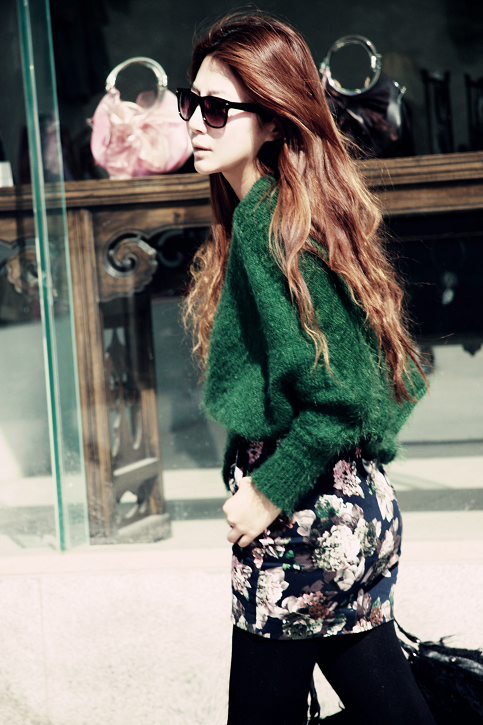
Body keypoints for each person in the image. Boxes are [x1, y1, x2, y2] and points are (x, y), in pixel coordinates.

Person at [178, 10, 436, 725]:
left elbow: (342, 396)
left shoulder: (271, 223)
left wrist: (266, 492)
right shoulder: (284, 213)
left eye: (216, 109)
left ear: (272, 119)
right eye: (190, 102)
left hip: (302, 521)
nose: (195, 122)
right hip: (339, 512)